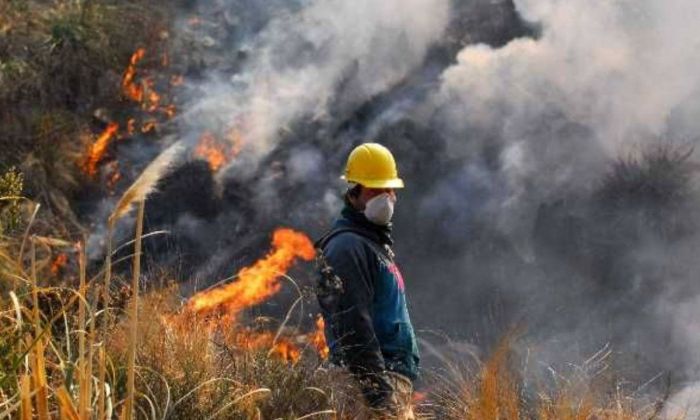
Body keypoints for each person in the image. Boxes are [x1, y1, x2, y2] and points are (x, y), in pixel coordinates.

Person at [316, 143, 419, 419]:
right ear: (354, 192)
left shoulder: (371, 246)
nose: (387, 197)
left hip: (387, 381)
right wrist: (379, 395)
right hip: (367, 388)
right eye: (376, 190)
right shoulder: (347, 247)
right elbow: (353, 326)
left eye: (390, 189)